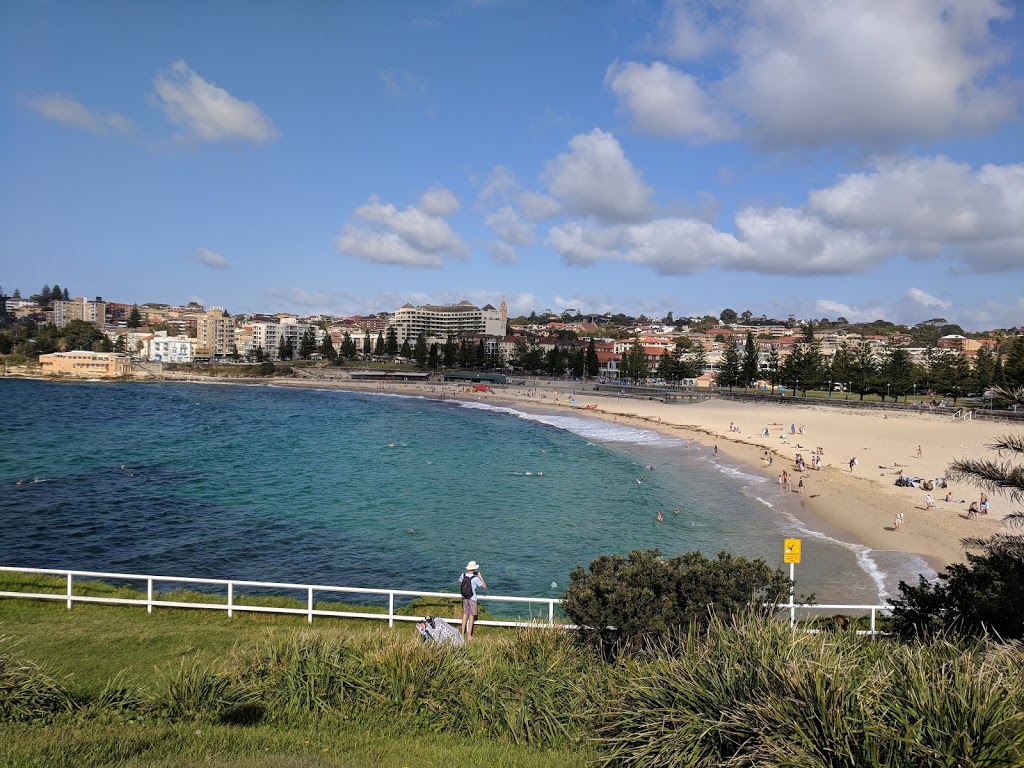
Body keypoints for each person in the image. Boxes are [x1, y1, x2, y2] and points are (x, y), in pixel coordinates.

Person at [458, 561, 487, 640]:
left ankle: (462, 635)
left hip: (465, 598)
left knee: (464, 615)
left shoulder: (463, 575)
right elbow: (484, 586)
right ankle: (469, 636)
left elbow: (459, 582)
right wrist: (480, 577)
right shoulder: (475, 578)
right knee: (471, 617)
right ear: (474, 569)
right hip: (472, 599)